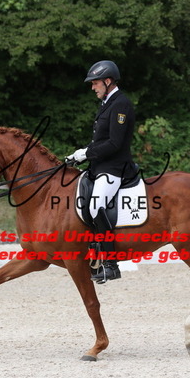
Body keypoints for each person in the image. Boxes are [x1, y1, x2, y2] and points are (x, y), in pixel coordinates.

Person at [66, 60, 137, 284]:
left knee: (96, 205)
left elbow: (114, 143)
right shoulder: (107, 103)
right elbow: (100, 139)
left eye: (95, 83)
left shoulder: (121, 104)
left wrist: (87, 153)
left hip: (115, 167)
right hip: (100, 166)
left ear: (108, 81)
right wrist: (80, 153)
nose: (92, 87)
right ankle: (92, 251)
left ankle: (111, 265)